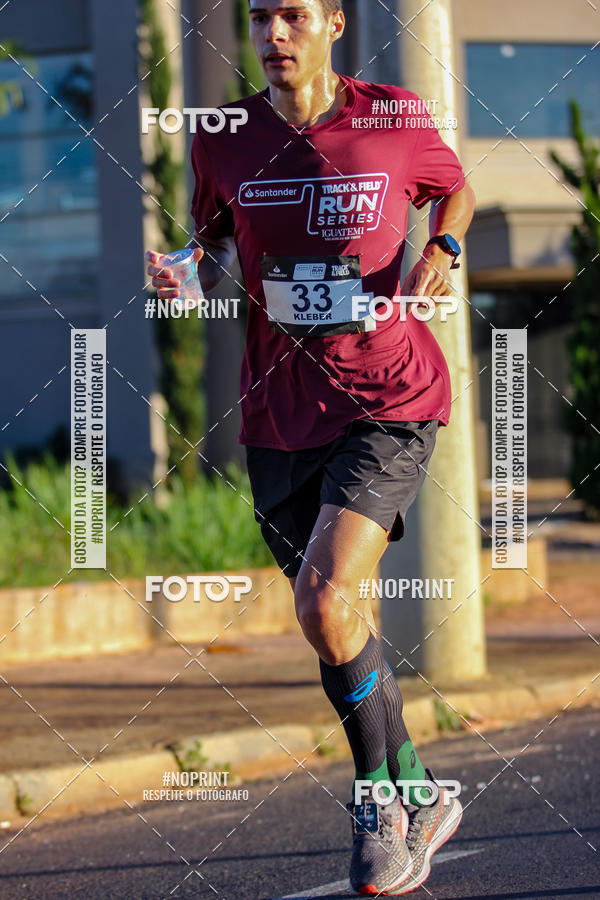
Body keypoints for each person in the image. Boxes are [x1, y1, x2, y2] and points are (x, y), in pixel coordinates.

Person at [146, 0, 475, 893]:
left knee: (327, 602)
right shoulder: (224, 137)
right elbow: (212, 238)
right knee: (330, 621)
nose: (272, 35)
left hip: (388, 394)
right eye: (260, 18)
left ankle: (378, 809)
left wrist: (442, 243)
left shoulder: (392, 115)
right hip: (280, 409)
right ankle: (419, 789)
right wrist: (186, 269)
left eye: (292, 16)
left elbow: (455, 185)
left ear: (334, 23)